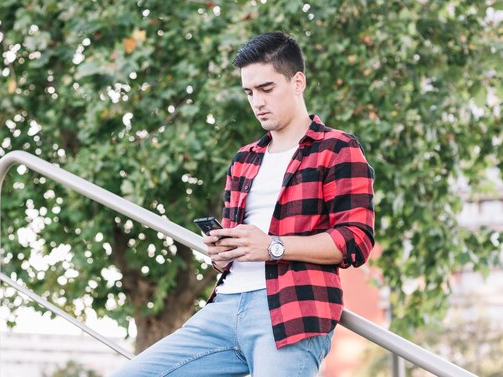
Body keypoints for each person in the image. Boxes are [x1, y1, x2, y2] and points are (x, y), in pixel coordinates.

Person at [110, 31, 375, 377]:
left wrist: (272, 247)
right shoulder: (244, 160)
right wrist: (223, 252)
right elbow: (239, 242)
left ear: (298, 82)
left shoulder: (337, 148)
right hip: (223, 308)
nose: (257, 102)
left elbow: (356, 239)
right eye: (249, 92)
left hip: (291, 313)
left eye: (266, 89)